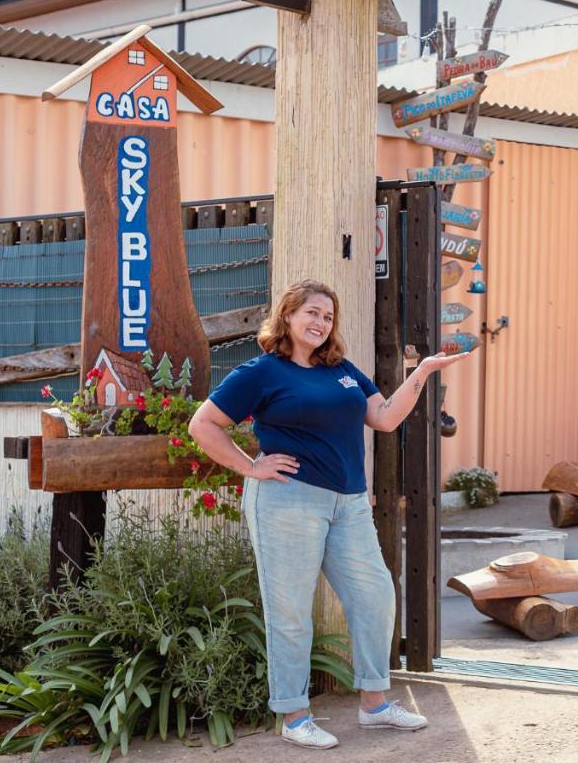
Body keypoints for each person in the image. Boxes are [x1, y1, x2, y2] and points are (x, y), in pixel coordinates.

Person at [188, 279, 470, 750]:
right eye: (312, 313)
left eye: (327, 316)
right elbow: (204, 424)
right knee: (292, 611)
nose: (321, 323)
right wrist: (250, 466)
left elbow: (384, 417)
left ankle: (375, 705)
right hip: (288, 501)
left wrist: (421, 372)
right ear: (288, 317)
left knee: (376, 595)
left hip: (349, 504)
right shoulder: (262, 372)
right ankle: (294, 715)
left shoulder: (342, 371)